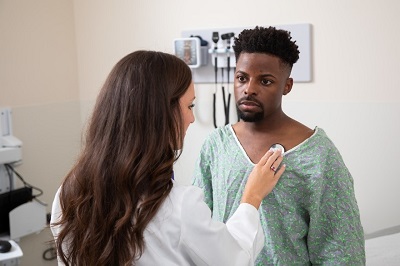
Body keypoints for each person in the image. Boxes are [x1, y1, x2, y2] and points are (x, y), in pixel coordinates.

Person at [50, 50, 286, 266]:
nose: (192, 119)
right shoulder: (179, 206)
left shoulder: (68, 194)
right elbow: (235, 259)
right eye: (189, 106)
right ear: (161, 113)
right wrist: (252, 196)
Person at [193, 26, 366, 265]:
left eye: (265, 81)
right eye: (242, 78)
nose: (249, 88)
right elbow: (197, 228)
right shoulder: (216, 146)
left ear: (287, 85)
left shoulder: (317, 154)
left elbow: (340, 248)